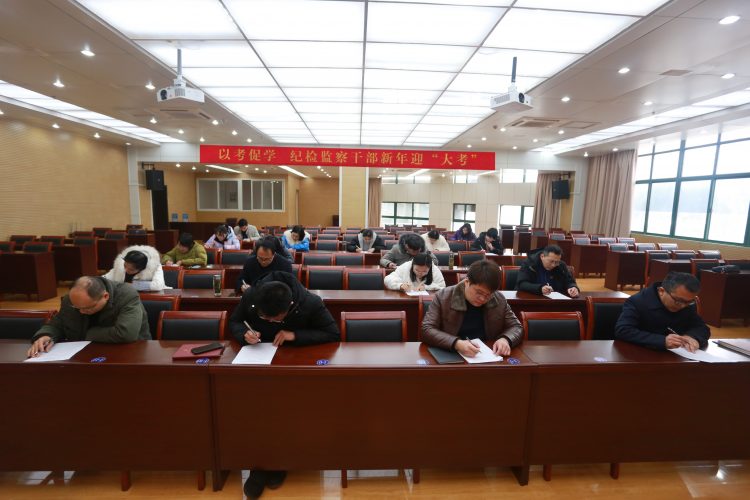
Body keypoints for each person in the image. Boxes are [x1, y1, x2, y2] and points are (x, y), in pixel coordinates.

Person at [229, 271, 339, 499]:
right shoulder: (252, 296)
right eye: (264, 318)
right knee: (257, 414)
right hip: (258, 363)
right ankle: (260, 466)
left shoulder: (310, 302)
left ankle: (280, 462)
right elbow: (235, 321)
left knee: (288, 414)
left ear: (289, 307)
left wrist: (295, 336)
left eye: (274, 319)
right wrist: (244, 334)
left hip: (294, 366)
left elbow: (332, 333)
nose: (269, 322)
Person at [27, 276, 150, 357]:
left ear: (105, 296)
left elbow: (125, 333)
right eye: (77, 308)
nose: (81, 312)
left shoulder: (126, 295)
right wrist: (46, 335)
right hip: (83, 354)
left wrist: (87, 334)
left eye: (88, 308)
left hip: (127, 352)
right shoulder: (72, 300)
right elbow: (59, 323)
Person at [422, 260, 522, 357]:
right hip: (451, 354)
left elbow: (516, 327)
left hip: (487, 354)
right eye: (479, 292)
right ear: (467, 282)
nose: (482, 299)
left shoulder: (499, 299)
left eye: (488, 295)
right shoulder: (443, 297)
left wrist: (505, 339)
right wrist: (456, 343)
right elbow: (427, 329)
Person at [615, 271, 709, 352]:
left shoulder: (686, 302)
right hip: (641, 354)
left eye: (689, 302)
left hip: (677, 356)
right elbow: (623, 330)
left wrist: (692, 337)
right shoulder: (638, 301)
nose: (683, 306)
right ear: (661, 291)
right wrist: (662, 340)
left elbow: (702, 328)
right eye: (678, 301)